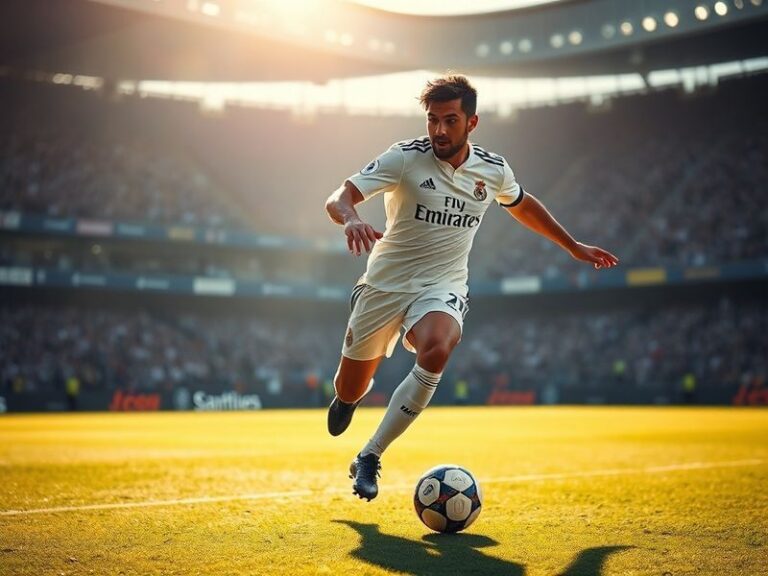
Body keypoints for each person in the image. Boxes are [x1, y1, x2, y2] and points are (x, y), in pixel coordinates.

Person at [324, 75, 619, 501]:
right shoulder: (404, 158)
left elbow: (522, 204)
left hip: (442, 285)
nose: (439, 130)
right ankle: (349, 399)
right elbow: (340, 197)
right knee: (348, 386)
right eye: (432, 120)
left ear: (471, 122)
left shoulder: (493, 169)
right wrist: (350, 219)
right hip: (383, 286)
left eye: (449, 120)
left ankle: (370, 454)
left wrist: (571, 246)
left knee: (439, 346)